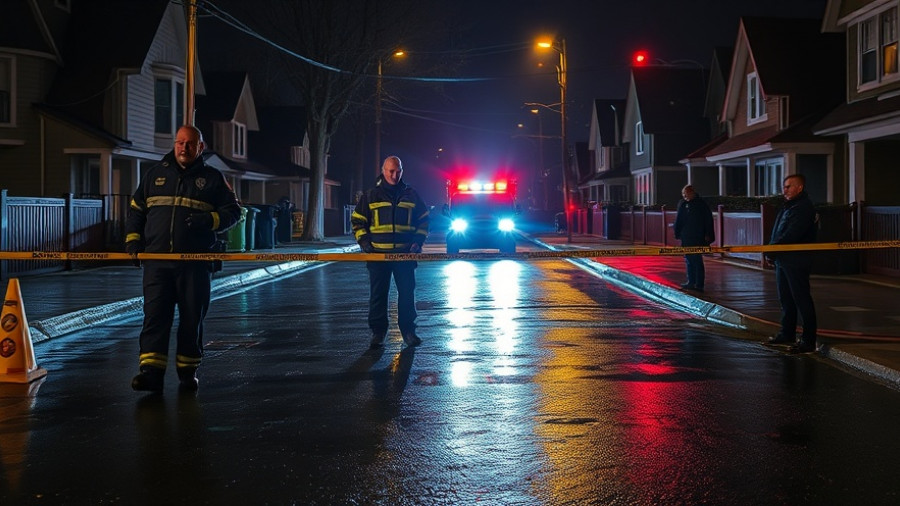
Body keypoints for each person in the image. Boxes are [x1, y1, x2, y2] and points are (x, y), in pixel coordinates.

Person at [125, 125, 241, 392]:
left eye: (190, 143)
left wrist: (208, 221)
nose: (184, 148)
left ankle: (187, 372)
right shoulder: (154, 175)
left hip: (195, 264)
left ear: (200, 147)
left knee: (192, 318)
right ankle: (151, 373)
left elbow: (234, 212)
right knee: (154, 317)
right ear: (174, 144)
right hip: (157, 263)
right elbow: (136, 211)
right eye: (179, 142)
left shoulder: (213, 178)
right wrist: (133, 241)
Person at [351, 155, 429, 349]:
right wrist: (364, 241)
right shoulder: (370, 196)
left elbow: (424, 219)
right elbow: (358, 220)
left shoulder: (411, 195)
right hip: (377, 255)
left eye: (398, 171)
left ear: (402, 171)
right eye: (391, 171)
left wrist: (418, 242)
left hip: (404, 255)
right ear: (383, 171)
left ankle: (409, 332)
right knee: (378, 295)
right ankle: (378, 333)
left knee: (406, 294)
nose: (394, 175)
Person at [765, 174, 818, 353]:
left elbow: (791, 234)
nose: (784, 190)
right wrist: (773, 252)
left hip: (796, 260)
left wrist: (772, 251)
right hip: (784, 259)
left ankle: (808, 341)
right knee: (786, 299)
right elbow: (778, 232)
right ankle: (787, 333)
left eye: (788, 186)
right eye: (784, 186)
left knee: (801, 299)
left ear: (800, 188)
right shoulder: (789, 206)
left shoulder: (803, 208)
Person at [673, 184, 714, 292]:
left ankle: (699, 284)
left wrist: (708, 235)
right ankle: (691, 281)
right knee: (689, 259)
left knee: (696, 260)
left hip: (697, 236)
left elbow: (708, 220)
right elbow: (679, 220)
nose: (684, 196)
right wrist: (677, 233)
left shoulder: (701, 204)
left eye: (686, 194)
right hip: (686, 236)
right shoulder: (682, 204)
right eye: (683, 194)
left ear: (692, 193)